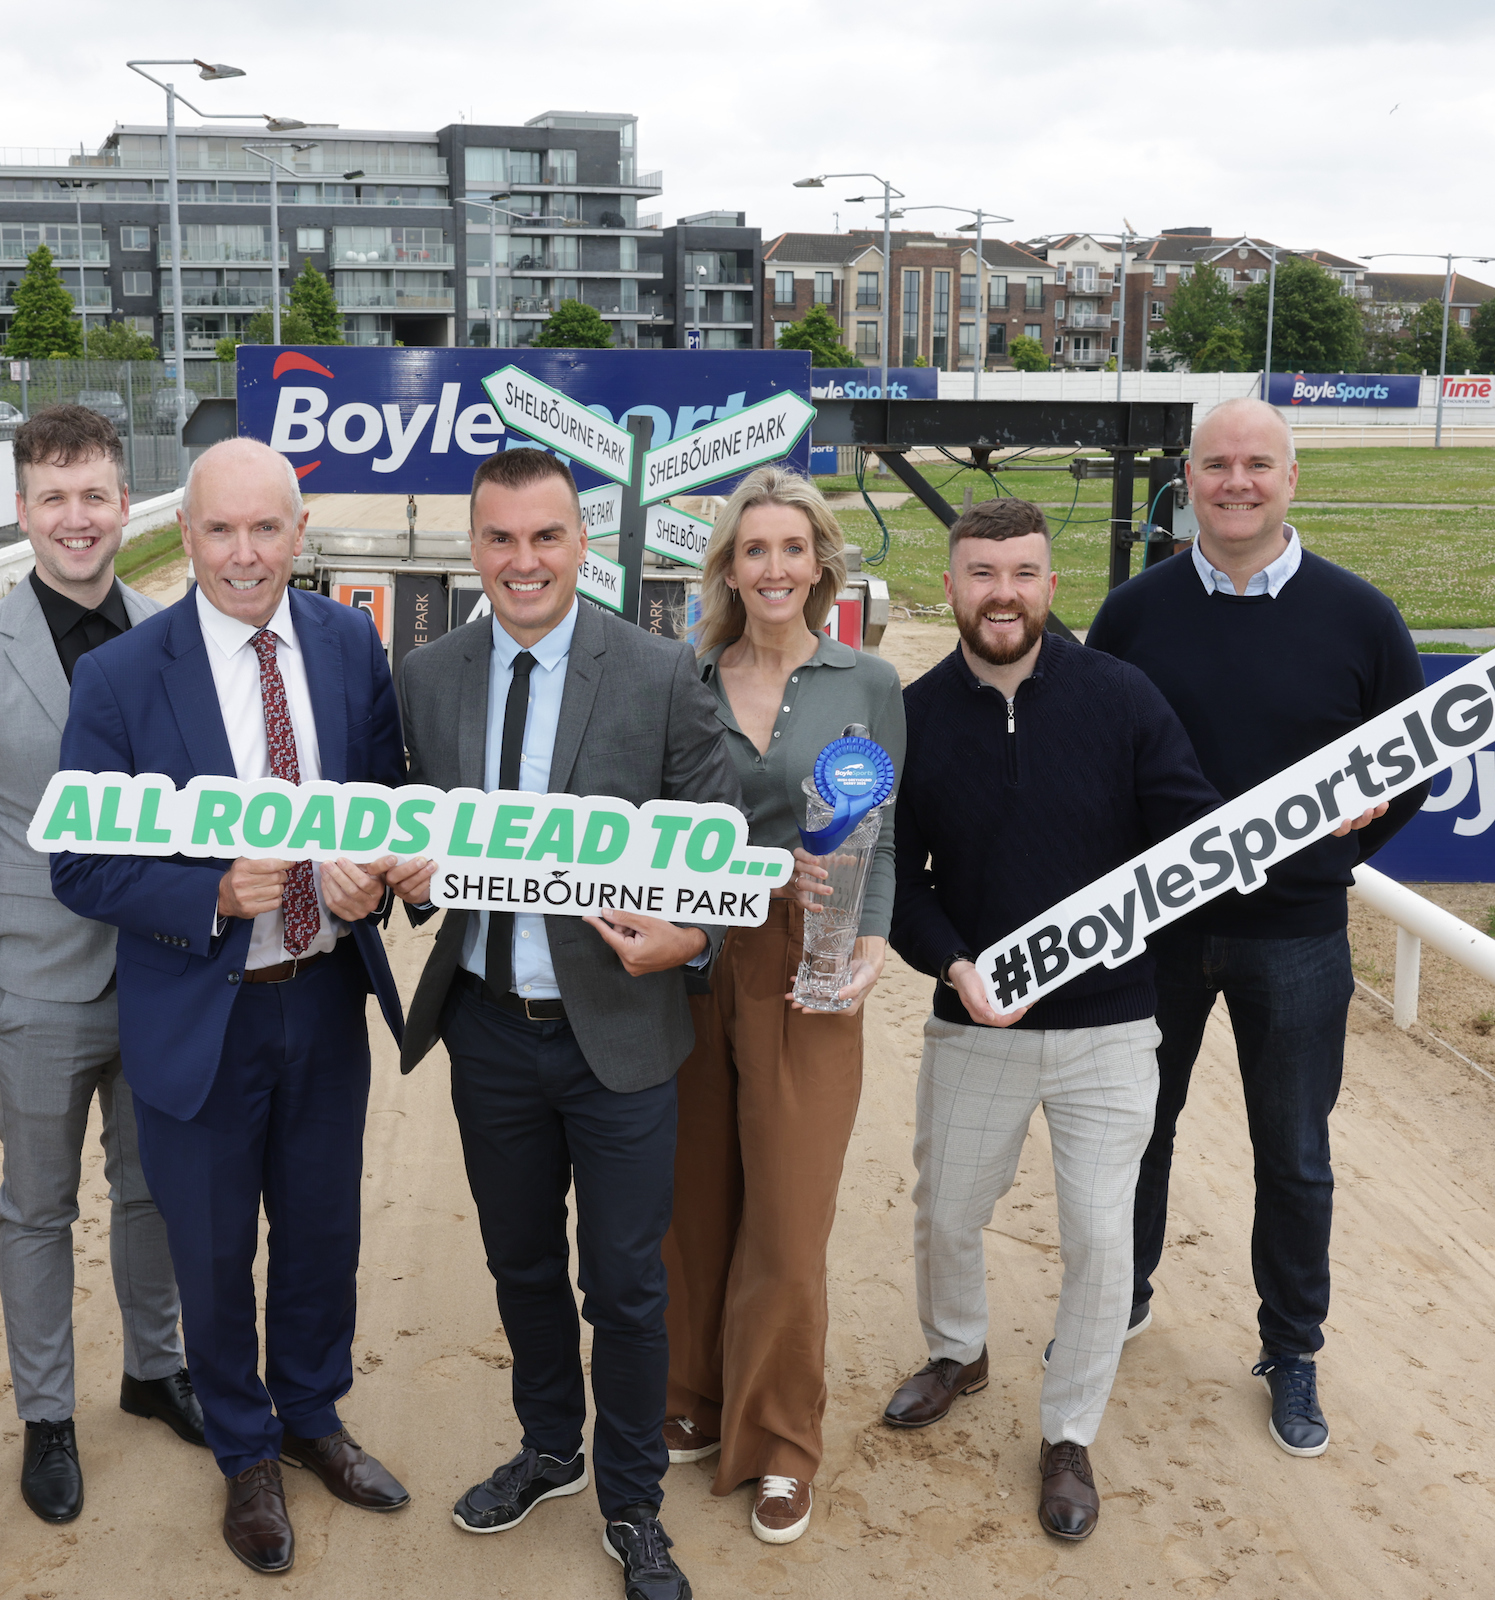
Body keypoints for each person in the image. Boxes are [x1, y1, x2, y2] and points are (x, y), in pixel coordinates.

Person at [48, 437, 412, 1577]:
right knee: (210, 1254)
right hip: (201, 1013)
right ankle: (244, 1451)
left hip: (324, 995)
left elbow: (390, 800)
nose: (244, 553)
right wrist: (206, 891)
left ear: (300, 533)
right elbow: (79, 863)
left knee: (322, 1235)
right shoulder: (120, 677)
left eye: (265, 528)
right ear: (185, 534)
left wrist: (374, 870)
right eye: (220, 529)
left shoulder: (350, 644)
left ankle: (311, 1417)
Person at [386, 446, 742, 1600]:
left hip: (621, 1034)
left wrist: (693, 938)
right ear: (473, 547)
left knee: (626, 1285)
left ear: (581, 543)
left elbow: (720, 838)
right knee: (522, 1262)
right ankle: (550, 1448)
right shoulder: (427, 675)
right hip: (489, 1027)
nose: (524, 559)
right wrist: (407, 873)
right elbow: (415, 834)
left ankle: (633, 1504)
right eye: (500, 538)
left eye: (546, 536)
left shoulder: (656, 669)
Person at [1086, 397, 1426, 1460]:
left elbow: (1410, 768)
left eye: (1257, 465)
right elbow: (1092, 756)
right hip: (1156, 933)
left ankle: (1291, 1350)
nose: (1236, 482)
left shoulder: (1362, 617)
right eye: (1217, 464)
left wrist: (1331, 858)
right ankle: (1118, 1301)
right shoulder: (1133, 613)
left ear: (1291, 479)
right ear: (1186, 479)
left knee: (1295, 1156)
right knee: (1136, 1134)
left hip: (1297, 938)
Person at [880, 496, 1219, 1540]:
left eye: (1022, 573)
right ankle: (959, 1350)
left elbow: (1194, 835)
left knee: (1101, 1239)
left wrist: (1307, 820)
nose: (1003, 594)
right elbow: (897, 879)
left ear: (1050, 584)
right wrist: (953, 963)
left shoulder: (1121, 696)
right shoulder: (914, 713)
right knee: (947, 1211)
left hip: (1109, 1029)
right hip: (976, 1024)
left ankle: (1069, 1431)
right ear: (951, 584)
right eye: (982, 573)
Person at [0, 405, 204, 1526]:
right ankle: (46, 1416)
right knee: (38, 1207)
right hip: (36, 987)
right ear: (23, 511)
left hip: (167, 975)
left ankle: (154, 1367)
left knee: (154, 1188)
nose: (76, 518)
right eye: (53, 498)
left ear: (126, 505)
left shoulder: (180, 637)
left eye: (94, 496)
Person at [660, 466, 904, 1546]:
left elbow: (884, 832)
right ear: (728, 566)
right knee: (693, 1199)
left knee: (790, 1219)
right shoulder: (682, 677)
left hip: (811, 965)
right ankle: (693, 1394)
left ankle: (780, 1444)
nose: (773, 568)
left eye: (792, 549)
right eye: (753, 549)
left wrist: (874, 933)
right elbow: (657, 826)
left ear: (820, 564)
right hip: (693, 957)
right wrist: (752, 868)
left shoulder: (870, 682)